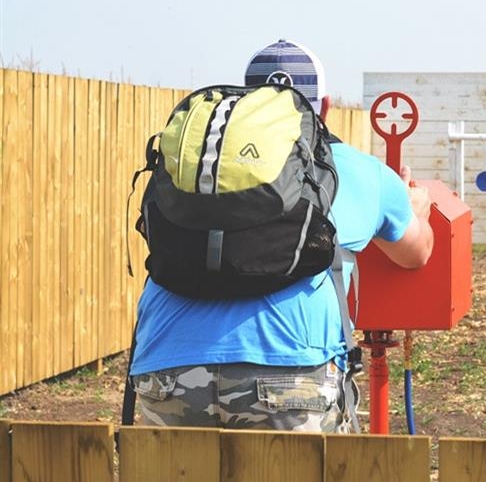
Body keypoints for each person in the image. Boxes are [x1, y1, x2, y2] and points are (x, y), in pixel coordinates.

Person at [128, 39, 434, 432]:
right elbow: (416, 252)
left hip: (165, 372)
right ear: (324, 107)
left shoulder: (195, 169)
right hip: (291, 375)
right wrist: (416, 207)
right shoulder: (360, 171)